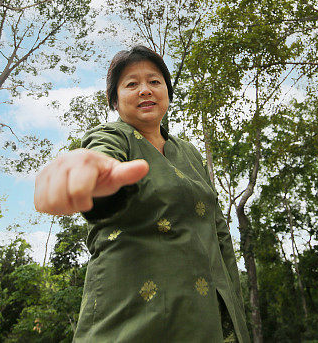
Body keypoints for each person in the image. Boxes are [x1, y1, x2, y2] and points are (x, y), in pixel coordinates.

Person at [34, 45, 250, 342]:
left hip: (209, 315)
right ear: (115, 100)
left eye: (154, 81)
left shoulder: (189, 153)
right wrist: (95, 177)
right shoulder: (112, 136)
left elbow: (217, 229)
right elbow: (101, 161)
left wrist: (234, 311)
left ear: (167, 92)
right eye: (131, 84)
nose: (145, 90)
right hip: (131, 313)